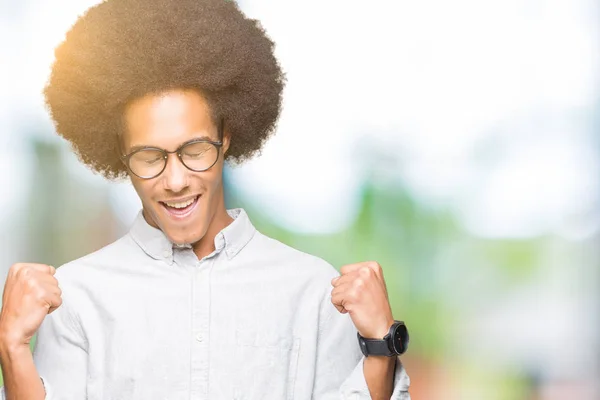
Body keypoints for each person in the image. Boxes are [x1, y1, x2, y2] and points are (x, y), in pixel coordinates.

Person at [0, 0, 411, 398]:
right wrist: (12, 348)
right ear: (120, 155)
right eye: (150, 157)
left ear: (226, 136)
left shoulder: (313, 290)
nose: (175, 180)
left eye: (195, 150)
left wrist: (380, 344)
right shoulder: (75, 296)